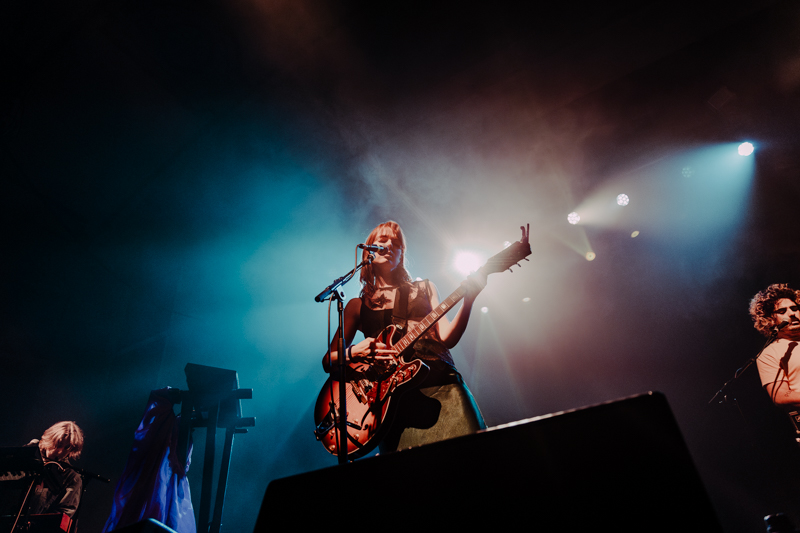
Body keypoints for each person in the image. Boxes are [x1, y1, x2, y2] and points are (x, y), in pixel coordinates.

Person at [323, 221, 486, 453]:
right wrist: (355, 351)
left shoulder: (425, 288)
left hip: (442, 387)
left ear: (401, 256)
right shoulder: (356, 306)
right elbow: (328, 360)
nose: (390, 245)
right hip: (390, 405)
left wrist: (469, 300)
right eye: (382, 241)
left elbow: (447, 338)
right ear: (368, 251)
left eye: (397, 243)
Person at [750, 284, 800, 406]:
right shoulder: (769, 353)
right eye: (782, 311)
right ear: (770, 319)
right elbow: (780, 395)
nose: (791, 314)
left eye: (794, 308)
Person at [27, 421, 84, 518]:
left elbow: (62, 514)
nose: (60, 452)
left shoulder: (71, 478)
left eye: (67, 448)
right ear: (50, 439)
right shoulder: (29, 454)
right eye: (59, 444)